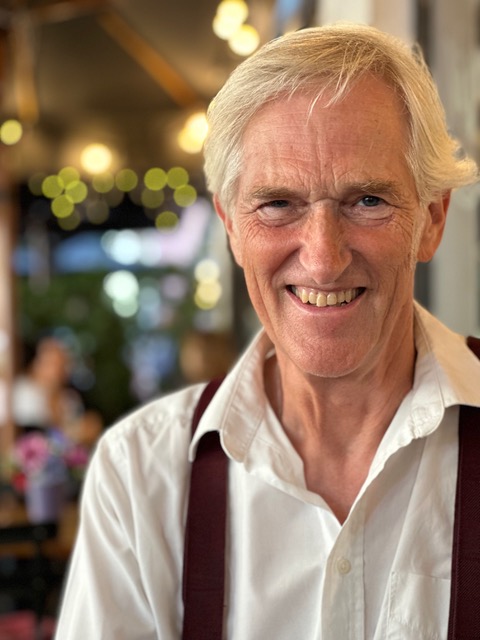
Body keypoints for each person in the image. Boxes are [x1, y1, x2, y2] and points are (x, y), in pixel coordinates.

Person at [55, 23, 480, 639]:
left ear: (432, 220)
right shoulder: (142, 477)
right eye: (278, 204)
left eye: (367, 201)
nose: (324, 259)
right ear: (232, 228)